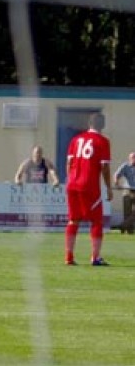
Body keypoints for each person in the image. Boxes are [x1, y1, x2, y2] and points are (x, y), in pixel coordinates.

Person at [64, 112, 112, 266]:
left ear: (89, 124)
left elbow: (68, 164)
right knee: (96, 221)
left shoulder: (76, 139)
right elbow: (104, 167)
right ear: (102, 125)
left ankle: (69, 257)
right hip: (89, 185)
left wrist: (71, 179)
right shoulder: (102, 141)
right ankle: (95, 257)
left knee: (73, 220)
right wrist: (109, 187)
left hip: (72, 185)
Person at [112, 152, 135, 234]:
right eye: (132, 157)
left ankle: (122, 226)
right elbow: (116, 175)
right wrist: (117, 183)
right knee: (127, 212)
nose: (134, 159)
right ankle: (129, 230)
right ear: (129, 158)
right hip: (127, 190)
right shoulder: (125, 166)